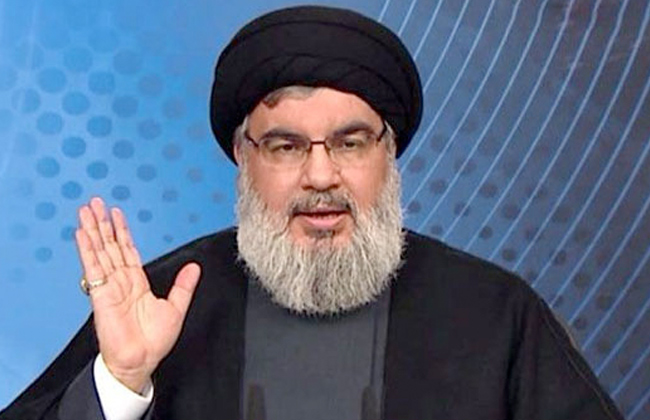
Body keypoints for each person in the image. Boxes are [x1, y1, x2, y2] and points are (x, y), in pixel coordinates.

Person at [0, 5, 624, 420]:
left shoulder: (493, 313)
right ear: (244, 156)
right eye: (286, 146)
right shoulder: (163, 302)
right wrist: (120, 382)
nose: (321, 176)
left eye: (350, 143)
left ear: (389, 152)